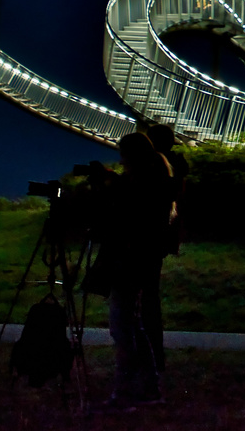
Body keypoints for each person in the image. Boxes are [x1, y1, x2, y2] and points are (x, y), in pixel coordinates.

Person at [98, 132, 174, 408]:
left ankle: (126, 390)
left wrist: (110, 186)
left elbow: (128, 213)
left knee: (123, 328)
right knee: (133, 325)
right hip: (140, 261)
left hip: (129, 261)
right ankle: (148, 386)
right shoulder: (155, 180)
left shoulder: (142, 186)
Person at [143, 123, 189, 375]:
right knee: (149, 299)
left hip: (146, 240)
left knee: (144, 301)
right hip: (161, 238)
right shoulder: (176, 168)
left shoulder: (156, 169)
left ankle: (150, 360)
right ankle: (154, 357)